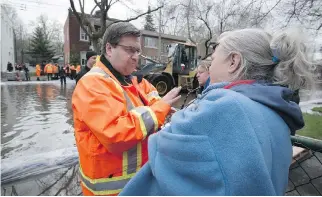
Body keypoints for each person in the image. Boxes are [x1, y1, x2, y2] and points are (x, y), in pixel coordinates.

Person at [119, 29, 315, 196]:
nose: (209, 67)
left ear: (233, 61)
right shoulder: (277, 112)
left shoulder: (226, 106)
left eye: (213, 60)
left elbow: (163, 148)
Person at [72, 22, 181, 196]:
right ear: (109, 49)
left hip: (136, 183)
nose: (136, 56)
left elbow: (154, 99)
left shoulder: (133, 79)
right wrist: (161, 109)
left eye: (138, 51)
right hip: (109, 191)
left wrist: (166, 109)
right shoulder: (92, 84)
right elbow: (115, 134)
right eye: (130, 50)